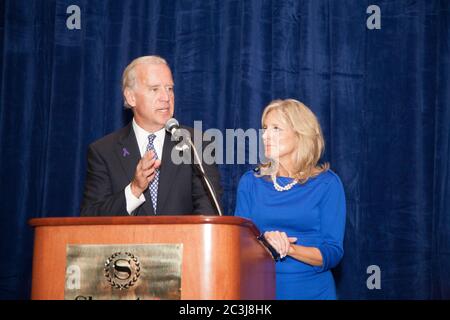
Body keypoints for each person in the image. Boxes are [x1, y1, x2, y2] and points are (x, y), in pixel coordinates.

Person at [80, 55, 222, 216]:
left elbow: (208, 213)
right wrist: (134, 190)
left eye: (169, 88)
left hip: (184, 241)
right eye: (155, 89)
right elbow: (90, 217)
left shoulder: (197, 144)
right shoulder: (104, 151)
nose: (166, 97)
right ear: (131, 97)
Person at [234, 99, 346, 299]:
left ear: (300, 134)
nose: (266, 135)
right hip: (260, 291)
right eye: (265, 128)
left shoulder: (327, 184)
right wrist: (264, 242)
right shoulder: (251, 182)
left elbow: (333, 252)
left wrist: (289, 248)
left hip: (313, 292)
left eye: (276, 128)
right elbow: (238, 245)